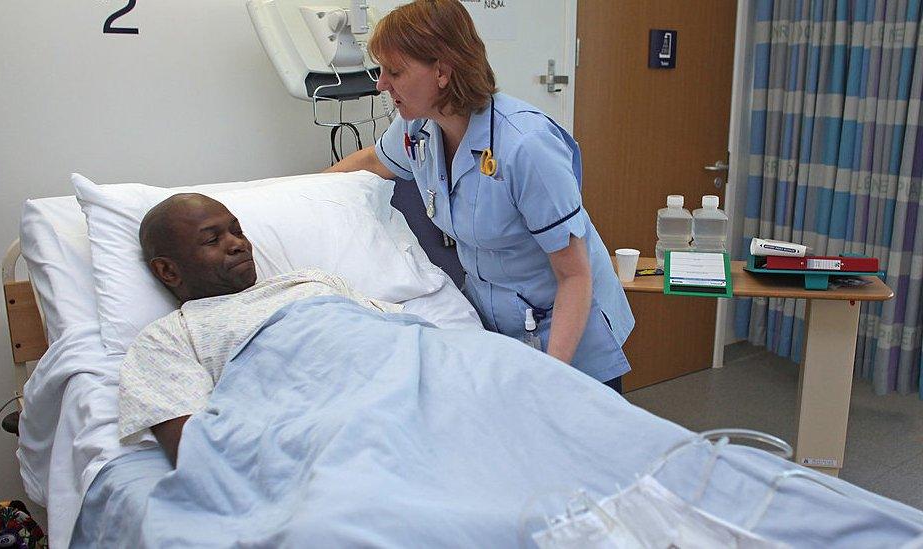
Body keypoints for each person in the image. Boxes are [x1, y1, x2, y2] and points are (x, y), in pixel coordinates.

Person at [326, 0, 633, 391]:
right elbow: (373, 160)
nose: (381, 84)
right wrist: (289, 192)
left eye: (395, 71)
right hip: (497, 326)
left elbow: (574, 276)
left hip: (567, 335)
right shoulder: (419, 129)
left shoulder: (526, 147)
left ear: (442, 72)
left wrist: (552, 379)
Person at [118, 193, 402, 463]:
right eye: (212, 239)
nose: (237, 244)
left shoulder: (311, 281)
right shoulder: (168, 337)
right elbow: (196, 452)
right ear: (168, 271)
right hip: (334, 425)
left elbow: (403, 336)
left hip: (401, 383)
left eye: (237, 231)